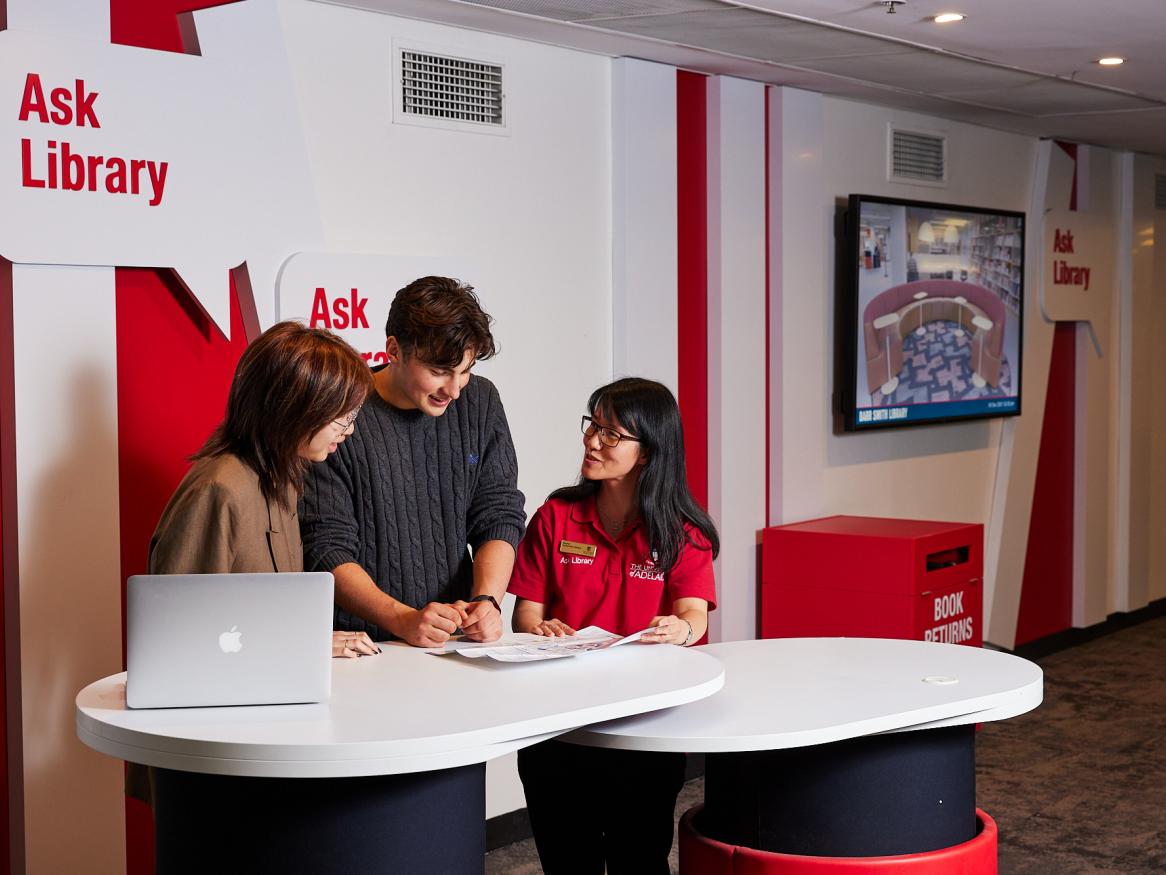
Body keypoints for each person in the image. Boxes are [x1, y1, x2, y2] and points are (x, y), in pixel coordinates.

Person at [507, 377, 718, 875]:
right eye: (592, 426)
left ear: (647, 453)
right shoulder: (556, 516)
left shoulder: (682, 531)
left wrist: (680, 630)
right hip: (557, 729)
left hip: (642, 731)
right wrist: (540, 629)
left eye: (611, 434)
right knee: (567, 862)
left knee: (639, 861)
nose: (593, 441)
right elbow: (526, 614)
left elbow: (694, 616)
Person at [300, 276, 525, 647]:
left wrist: (487, 600)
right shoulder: (340, 413)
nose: (453, 390)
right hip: (362, 646)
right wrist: (401, 619)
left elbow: (498, 512)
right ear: (394, 349)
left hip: (454, 641)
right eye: (438, 371)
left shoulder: (480, 401)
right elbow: (325, 546)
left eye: (465, 371)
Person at [149, 320, 378, 659]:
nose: (349, 430)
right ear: (294, 410)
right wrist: (305, 644)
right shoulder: (220, 490)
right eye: (340, 418)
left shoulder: (283, 476)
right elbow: (182, 639)